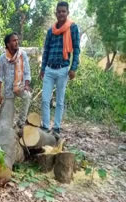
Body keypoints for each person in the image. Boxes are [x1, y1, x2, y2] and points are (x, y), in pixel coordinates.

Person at [40, 1, 80, 135]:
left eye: (64, 11)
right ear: (56, 13)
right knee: (45, 99)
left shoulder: (73, 28)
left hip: (63, 69)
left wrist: (73, 68)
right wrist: (42, 69)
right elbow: (46, 50)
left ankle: (56, 128)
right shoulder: (51, 31)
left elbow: (76, 49)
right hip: (49, 69)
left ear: (67, 13)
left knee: (59, 101)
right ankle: (45, 127)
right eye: (59, 11)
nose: (61, 13)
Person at [0, 32, 32, 128]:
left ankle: (21, 122)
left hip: (20, 85)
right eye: (14, 40)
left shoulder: (22, 55)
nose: (17, 42)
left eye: (17, 40)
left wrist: (26, 85)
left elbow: (27, 73)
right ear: (8, 44)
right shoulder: (2, 58)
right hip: (8, 90)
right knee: (6, 121)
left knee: (27, 95)